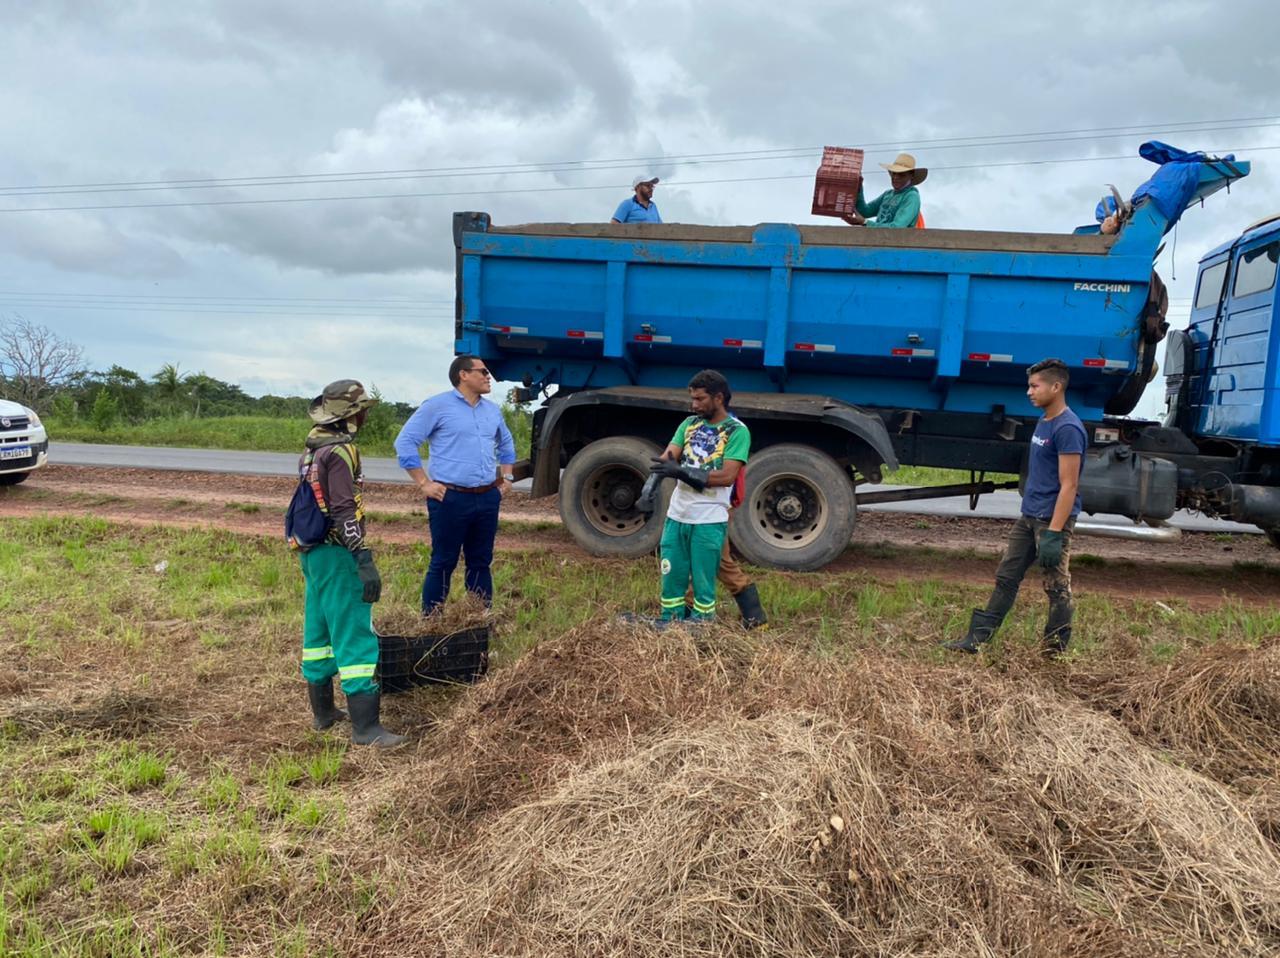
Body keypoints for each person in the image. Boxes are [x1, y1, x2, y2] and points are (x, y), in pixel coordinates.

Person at [943, 358, 1087, 656]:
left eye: (1035, 386)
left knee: (1056, 586)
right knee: (1007, 576)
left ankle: (1053, 651)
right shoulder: (1045, 420)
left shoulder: (1068, 428)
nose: (1029, 392)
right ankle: (977, 640)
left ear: (1056, 386)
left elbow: (1069, 485)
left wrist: (1054, 534)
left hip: (1051, 521)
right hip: (1029, 516)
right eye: (1029, 386)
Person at [297, 379, 405, 748]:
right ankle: (366, 729)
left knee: (319, 632)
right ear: (350, 414)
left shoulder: (312, 447)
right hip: (338, 553)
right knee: (354, 633)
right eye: (363, 409)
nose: (366, 414)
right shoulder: (341, 451)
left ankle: (324, 714)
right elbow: (343, 508)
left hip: (312, 554)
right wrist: (362, 556)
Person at [394, 355, 516, 615]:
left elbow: (506, 444)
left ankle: (479, 621)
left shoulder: (492, 410)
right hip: (449, 499)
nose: (488, 377)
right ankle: (432, 622)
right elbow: (405, 443)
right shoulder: (437, 406)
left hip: (486, 498)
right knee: (443, 562)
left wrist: (507, 478)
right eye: (482, 371)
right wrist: (424, 483)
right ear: (463, 374)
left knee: (481, 562)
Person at [650, 370, 750, 622]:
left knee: (704, 581)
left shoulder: (736, 431)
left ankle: (702, 625)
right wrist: (648, 489)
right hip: (677, 516)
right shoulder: (688, 425)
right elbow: (667, 459)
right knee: (672, 575)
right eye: (692, 398)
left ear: (718, 398)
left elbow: (727, 476)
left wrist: (680, 471)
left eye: (700, 399)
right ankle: (670, 620)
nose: (694, 405)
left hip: (708, 520)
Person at [841, 152, 926, 228]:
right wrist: (859, 187)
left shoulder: (911, 196)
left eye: (901, 174)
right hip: (881, 241)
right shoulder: (888, 194)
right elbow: (865, 212)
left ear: (911, 176)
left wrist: (865, 222)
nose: (895, 177)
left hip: (897, 244)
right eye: (894, 173)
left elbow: (897, 227)